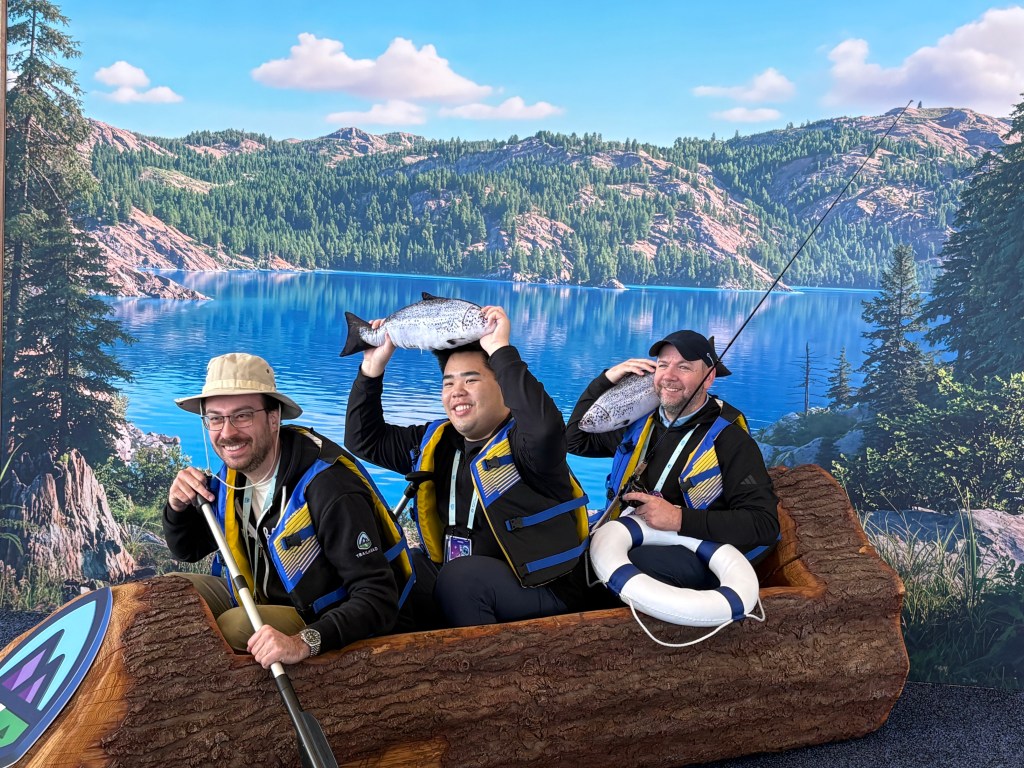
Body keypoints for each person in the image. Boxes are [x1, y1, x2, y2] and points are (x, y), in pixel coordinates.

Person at [345, 305, 590, 628]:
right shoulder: (436, 441)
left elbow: (547, 428)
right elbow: (364, 440)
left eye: (470, 380)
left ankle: (474, 674)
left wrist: (500, 350)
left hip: (542, 588)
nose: (456, 393)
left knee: (463, 577)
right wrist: (371, 370)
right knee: (397, 567)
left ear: (503, 385)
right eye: (448, 383)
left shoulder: (529, 447)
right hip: (460, 582)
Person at [163, 352, 413, 667]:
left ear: (273, 418)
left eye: (242, 415)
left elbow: (378, 599)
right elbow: (187, 549)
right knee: (169, 593)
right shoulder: (234, 476)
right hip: (256, 598)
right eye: (215, 418)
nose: (227, 433)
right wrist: (177, 507)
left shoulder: (330, 487)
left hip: (322, 618)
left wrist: (303, 643)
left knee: (236, 627)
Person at [566, 330, 779, 590]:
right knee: (567, 549)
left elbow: (764, 525)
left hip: (693, 552)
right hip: (628, 534)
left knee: (624, 564)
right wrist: (607, 379)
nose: (669, 376)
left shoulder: (731, 441)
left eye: (684, 367)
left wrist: (679, 518)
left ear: (709, 377)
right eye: (663, 365)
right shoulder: (638, 425)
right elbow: (575, 440)